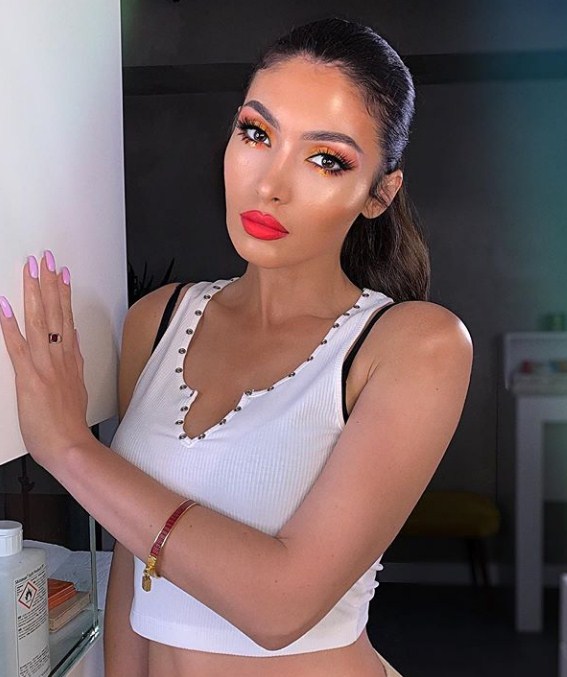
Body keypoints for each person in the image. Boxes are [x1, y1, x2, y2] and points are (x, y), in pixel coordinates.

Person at [0, 17, 473, 677]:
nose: (270, 183)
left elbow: (279, 606)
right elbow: (134, 561)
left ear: (378, 194)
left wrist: (68, 448)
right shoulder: (155, 322)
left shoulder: (414, 344)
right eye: (256, 133)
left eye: (325, 159)